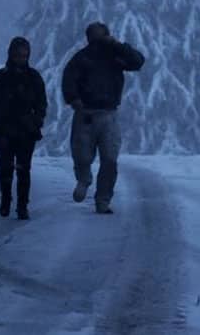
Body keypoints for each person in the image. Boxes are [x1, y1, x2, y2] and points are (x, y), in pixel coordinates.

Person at [62, 22, 145, 214]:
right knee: (82, 156)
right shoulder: (81, 58)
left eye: (101, 37)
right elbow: (69, 79)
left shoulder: (115, 56)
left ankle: (103, 200)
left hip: (109, 114)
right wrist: (74, 99)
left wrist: (117, 44)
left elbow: (138, 61)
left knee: (109, 160)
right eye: (94, 37)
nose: (97, 41)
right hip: (85, 114)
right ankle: (84, 179)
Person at [0, 37, 47, 220]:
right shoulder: (1, 77)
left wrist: (35, 121)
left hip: (26, 131)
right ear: (11, 55)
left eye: (24, 55)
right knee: (6, 168)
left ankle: (22, 205)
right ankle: (6, 200)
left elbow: (41, 103)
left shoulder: (33, 77)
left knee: (23, 169)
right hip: (4, 130)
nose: (21, 58)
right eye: (18, 55)